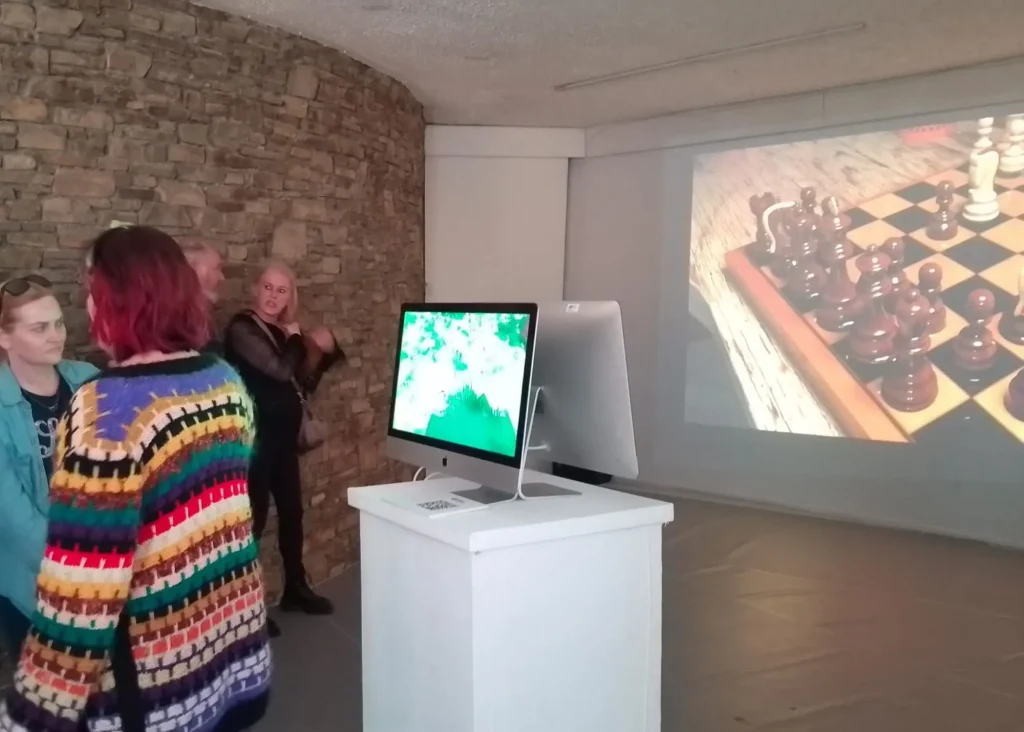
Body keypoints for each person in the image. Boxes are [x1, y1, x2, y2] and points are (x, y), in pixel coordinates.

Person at [0, 227, 271, 732]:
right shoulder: (225, 382)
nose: (86, 304)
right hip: (228, 646)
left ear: (117, 303)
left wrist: (28, 715)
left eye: (92, 290)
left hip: (150, 682)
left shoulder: (106, 409)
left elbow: (82, 589)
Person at [224, 261, 342, 622]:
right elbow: (277, 370)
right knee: (254, 522)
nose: (274, 296)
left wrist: (323, 353)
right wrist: (295, 338)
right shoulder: (242, 328)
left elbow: (300, 382)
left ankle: (295, 587)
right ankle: (245, 607)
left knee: (293, 514)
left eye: (282, 290)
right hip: (255, 441)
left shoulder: (283, 331)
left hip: (283, 442)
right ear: (256, 289)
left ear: (291, 295)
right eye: (268, 288)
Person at [0, 275, 97, 656]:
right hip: (33, 578)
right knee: (47, 687)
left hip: (99, 562)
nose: (56, 335)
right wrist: (73, 565)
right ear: (5, 338)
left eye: (58, 323)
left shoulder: (88, 380)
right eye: (39, 328)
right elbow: (13, 513)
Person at [182, 241, 225, 353]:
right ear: (193, 270)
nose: (222, 277)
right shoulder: (180, 320)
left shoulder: (202, 314)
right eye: (217, 268)